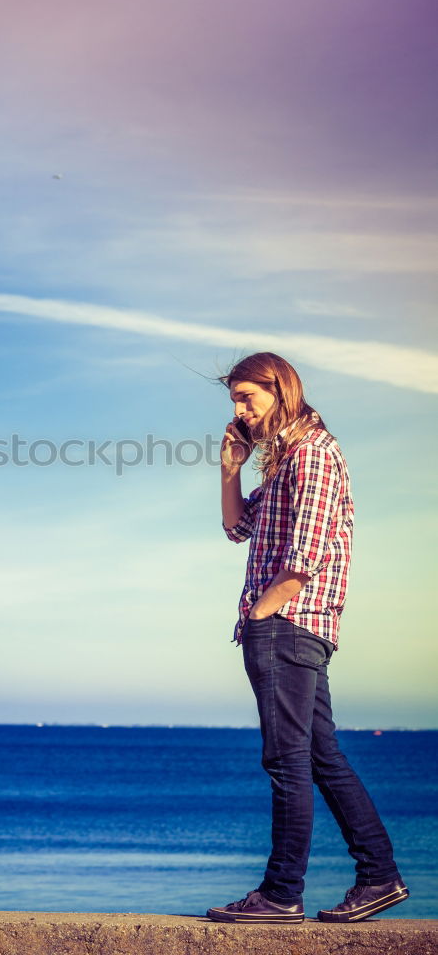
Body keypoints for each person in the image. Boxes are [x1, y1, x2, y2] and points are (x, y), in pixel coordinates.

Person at [206, 352, 408, 925]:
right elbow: (236, 528)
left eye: (249, 398)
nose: (241, 411)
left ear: (282, 390)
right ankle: (380, 876)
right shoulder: (282, 458)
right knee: (322, 758)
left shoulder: (314, 453)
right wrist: (230, 470)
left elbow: (305, 559)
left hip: (289, 625)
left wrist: (259, 618)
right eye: (235, 402)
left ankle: (280, 894)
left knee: (286, 760)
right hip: (291, 626)